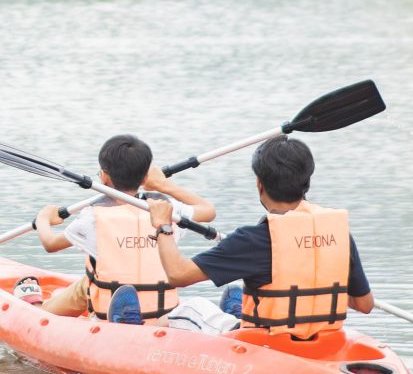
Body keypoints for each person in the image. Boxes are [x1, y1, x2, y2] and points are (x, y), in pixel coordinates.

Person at [150, 135, 372, 339]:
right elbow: (364, 304)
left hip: (265, 344)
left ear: (260, 184)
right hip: (321, 342)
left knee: (190, 308)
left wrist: (163, 225)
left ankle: (131, 333)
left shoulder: (253, 240)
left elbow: (178, 275)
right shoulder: (338, 233)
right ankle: (238, 312)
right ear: (307, 181)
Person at [31, 134, 218, 322]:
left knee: (86, 285)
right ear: (145, 178)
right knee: (85, 284)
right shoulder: (168, 209)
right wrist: (164, 185)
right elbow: (208, 211)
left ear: (103, 177)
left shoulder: (92, 217)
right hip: (161, 309)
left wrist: (43, 218)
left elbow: (51, 243)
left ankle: (38, 309)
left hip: (109, 308)